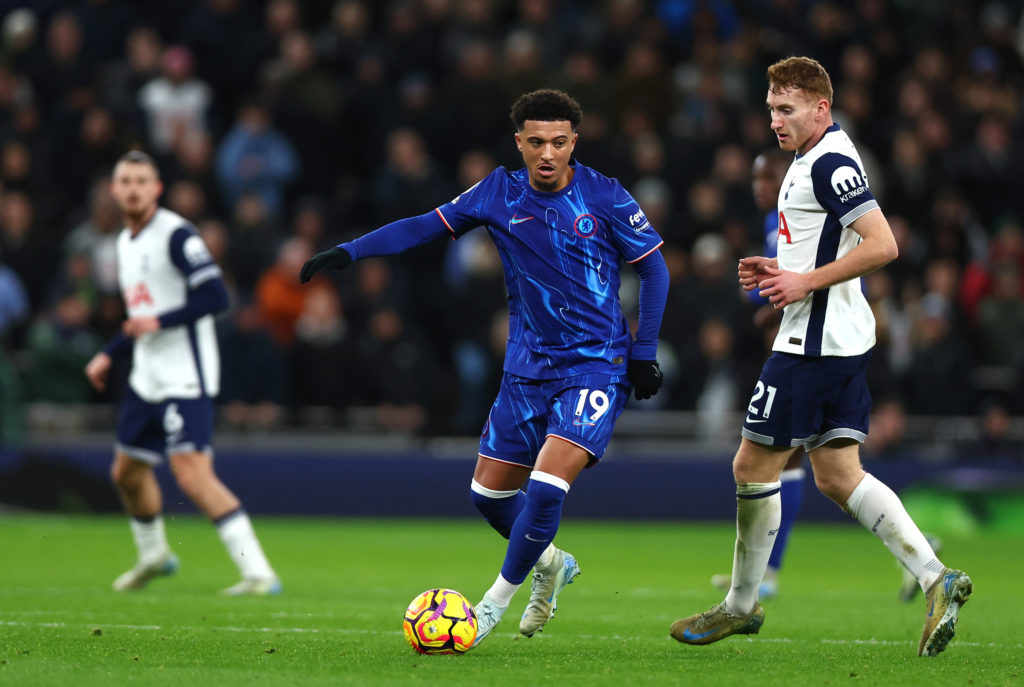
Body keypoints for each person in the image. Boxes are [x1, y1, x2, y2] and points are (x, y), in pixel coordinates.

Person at [300, 89, 668, 646]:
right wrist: (349, 252)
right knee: (489, 497)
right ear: (519, 143)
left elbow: (656, 271)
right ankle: (549, 565)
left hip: (595, 364)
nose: (548, 153)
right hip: (526, 368)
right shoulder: (498, 191)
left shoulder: (606, 196)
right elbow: (423, 226)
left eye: (560, 142)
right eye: (537, 142)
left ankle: (490, 607)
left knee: (545, 488)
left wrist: (643, 357)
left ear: (575, 143)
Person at [669, 57, 971, 658]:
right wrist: (785, 271)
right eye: (772, 109)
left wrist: (803, 285)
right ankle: (938, 577)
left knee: (751, 467)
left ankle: (741, 605)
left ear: (821, 108)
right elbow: (837, 243)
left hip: (811, 345)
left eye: (788, 109)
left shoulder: (828, 161)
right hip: (841, 340)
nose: (776, 120)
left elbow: (883, 243)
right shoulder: (819, 155)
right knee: (837, 475)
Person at [84, 150, 281, 596]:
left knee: (191, 474)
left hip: (184, 375)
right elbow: (142, 316)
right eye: (125, 181)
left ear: (156, 189)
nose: (133, 188)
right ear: (115, 191)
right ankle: (154, 555)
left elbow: (215, 296)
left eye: (141, 181)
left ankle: (258, 572)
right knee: (127, 472)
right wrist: (110, 352)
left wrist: (158, 322)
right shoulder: (124, 242)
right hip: (146, 374)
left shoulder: (176, 235)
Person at [711, 148, 803, 600]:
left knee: (782, 461)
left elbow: (797, 284)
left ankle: (763, 575)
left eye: (766, 177)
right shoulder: (773, 223)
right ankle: (762, 573)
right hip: (798, 350)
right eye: (755, 178)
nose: (758, 186)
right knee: (818, 466)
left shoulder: (794, 215)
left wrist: (767, 309)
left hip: (808, 352)